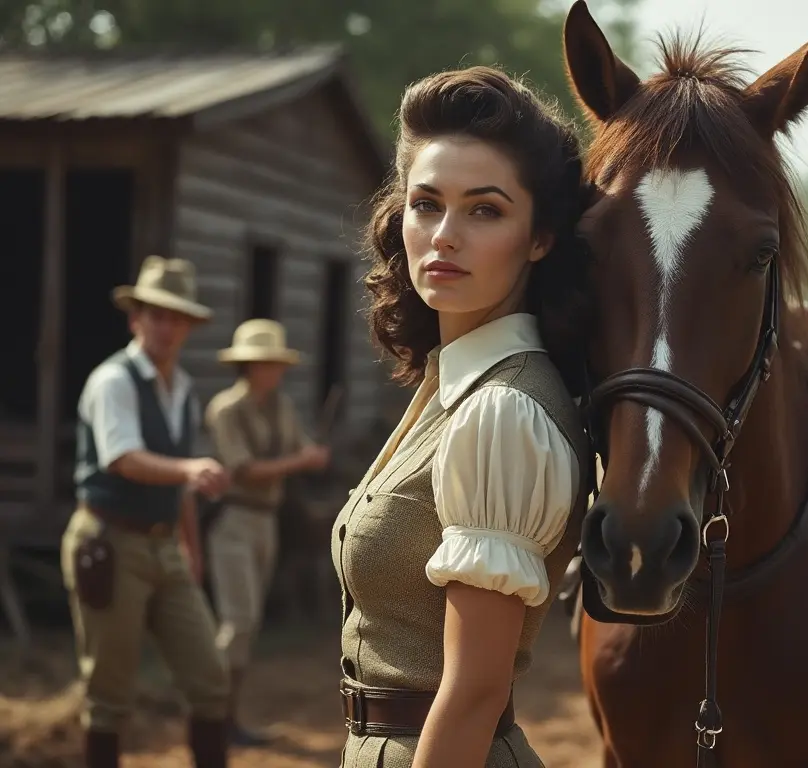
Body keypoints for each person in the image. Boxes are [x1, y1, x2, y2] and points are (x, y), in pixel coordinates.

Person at [331, 66, 592, 768]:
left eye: (484, 210)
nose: (444, 235)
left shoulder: (503, 413)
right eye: (426, 204)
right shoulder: (453, 384)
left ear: (538, 238)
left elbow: (474, 693)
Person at [60, 255, 232, 768]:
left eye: (177, 317)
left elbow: (180, 486)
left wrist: (191, 552)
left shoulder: (180, 390)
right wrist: (186, 470)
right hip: (111, 542)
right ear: (136, 319)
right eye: (157, 314)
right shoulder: (113, 381)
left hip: (165, 547)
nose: (167, 326)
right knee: (109, 695)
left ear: (188, 326)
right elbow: (122, 458)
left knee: (210, 680)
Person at [204, 318, 331, 746]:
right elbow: (246, 470)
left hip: (266, 521)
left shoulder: (281, 408)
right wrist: (304, 461)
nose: (274, 372)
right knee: (236, 622)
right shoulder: (227, 408)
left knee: (249, 623)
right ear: (249, 366)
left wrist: (312, 454)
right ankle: (207, 713)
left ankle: (227, 717)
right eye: (266, 364)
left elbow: (301, 446)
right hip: (234, 519)